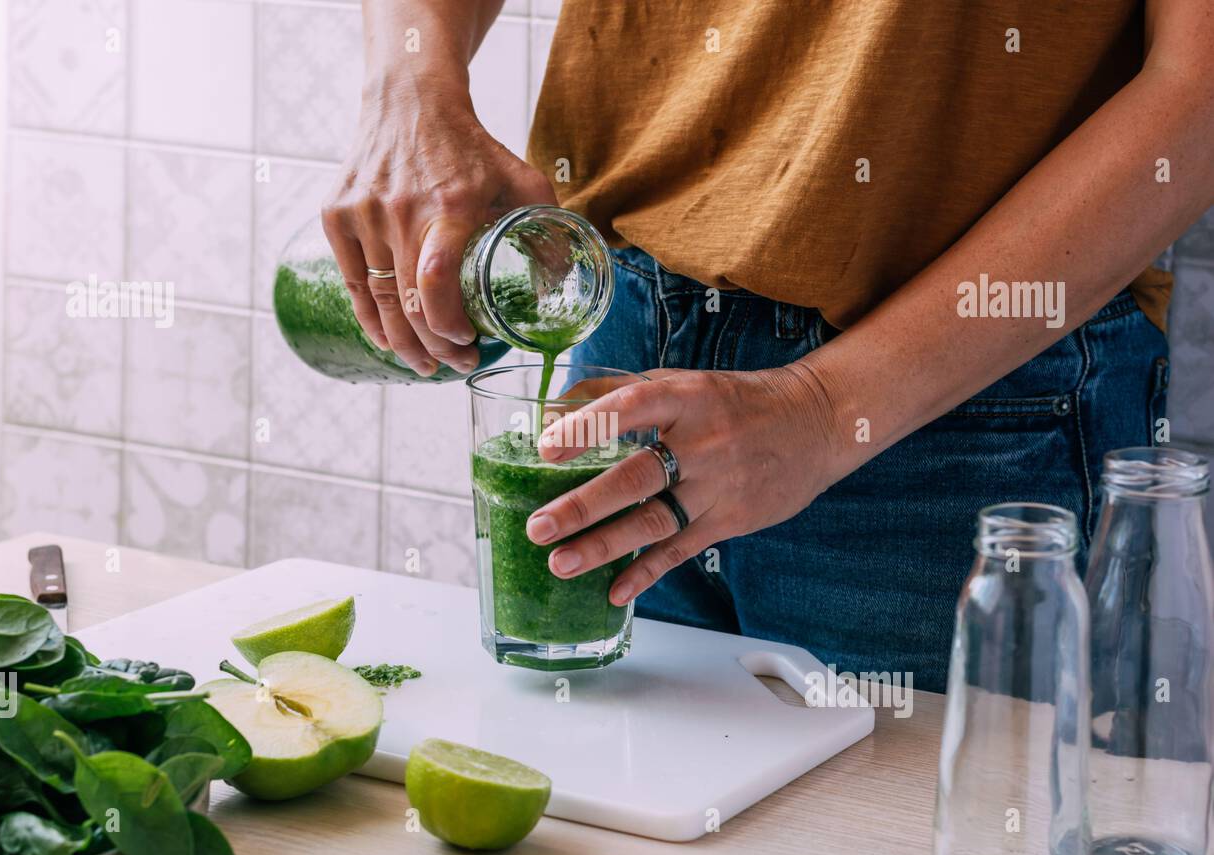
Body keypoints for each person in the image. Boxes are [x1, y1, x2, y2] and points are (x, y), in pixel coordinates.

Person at [321, 1, 1214, 691]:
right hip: (625, 342)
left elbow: (1198, 87)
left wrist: (827, 410)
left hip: (953, 409)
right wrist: (410, 88)